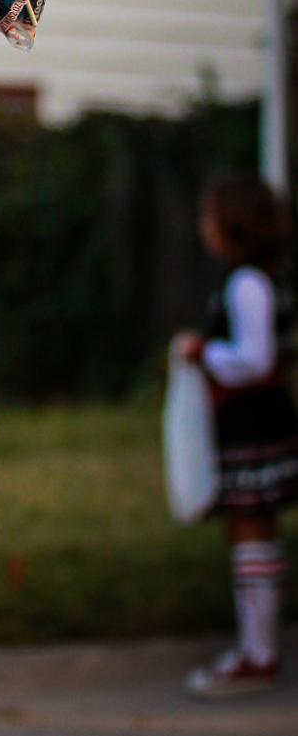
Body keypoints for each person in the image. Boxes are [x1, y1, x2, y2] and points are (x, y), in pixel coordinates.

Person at [174, 172, 298, 697]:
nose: (204, 228)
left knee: (251, 527)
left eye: (209, 218)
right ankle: (256, 642)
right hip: (254, 420)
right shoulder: (257, 279)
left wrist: (202, 353)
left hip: (253, 425)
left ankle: (258, 652)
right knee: (250, 529)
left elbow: (256, 358)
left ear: (233, 225)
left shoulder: (246, 283)